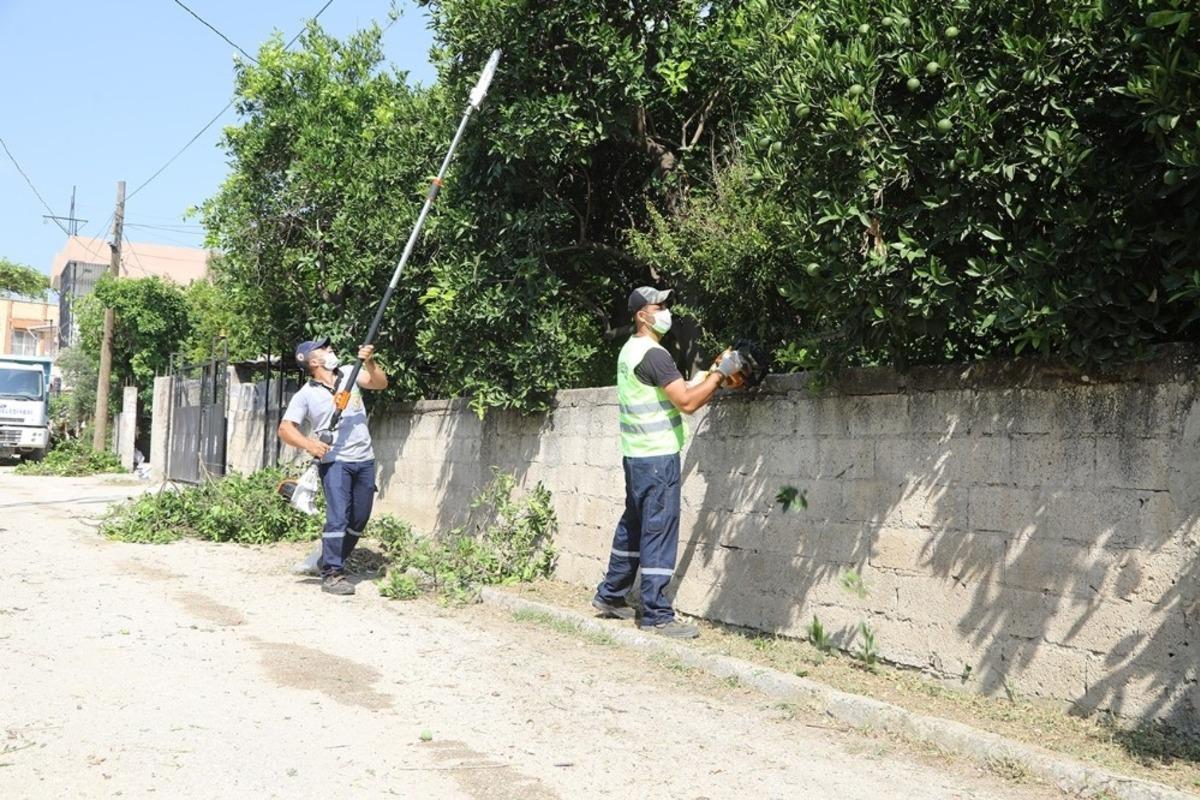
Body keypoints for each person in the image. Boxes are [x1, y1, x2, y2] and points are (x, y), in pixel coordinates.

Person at [592, 287, 743, 638]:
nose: (665, 311)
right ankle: (657, 615)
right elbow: (687, 403)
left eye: (664, 305)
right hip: (658, 458)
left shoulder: (630, 351)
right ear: (641, 316)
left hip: (636, 456)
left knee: (633, 526)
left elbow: (673, 389)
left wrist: (709, 374)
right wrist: (719, 376)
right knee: (659, 531)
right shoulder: (655, 355)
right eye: (657, 306)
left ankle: (611, 594)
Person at [278, 337, 388, 596]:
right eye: (324, 348)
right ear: (313, 362)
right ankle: (332, 573)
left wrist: (370, 362)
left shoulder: (350, 372)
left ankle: (329, 558)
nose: (330, 350)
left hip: (364, 458)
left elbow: (380, 383)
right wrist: (310, 445)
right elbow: (285, 429)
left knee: (359, 519)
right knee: (338, 517)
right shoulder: (306, 395)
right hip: (335, 463)